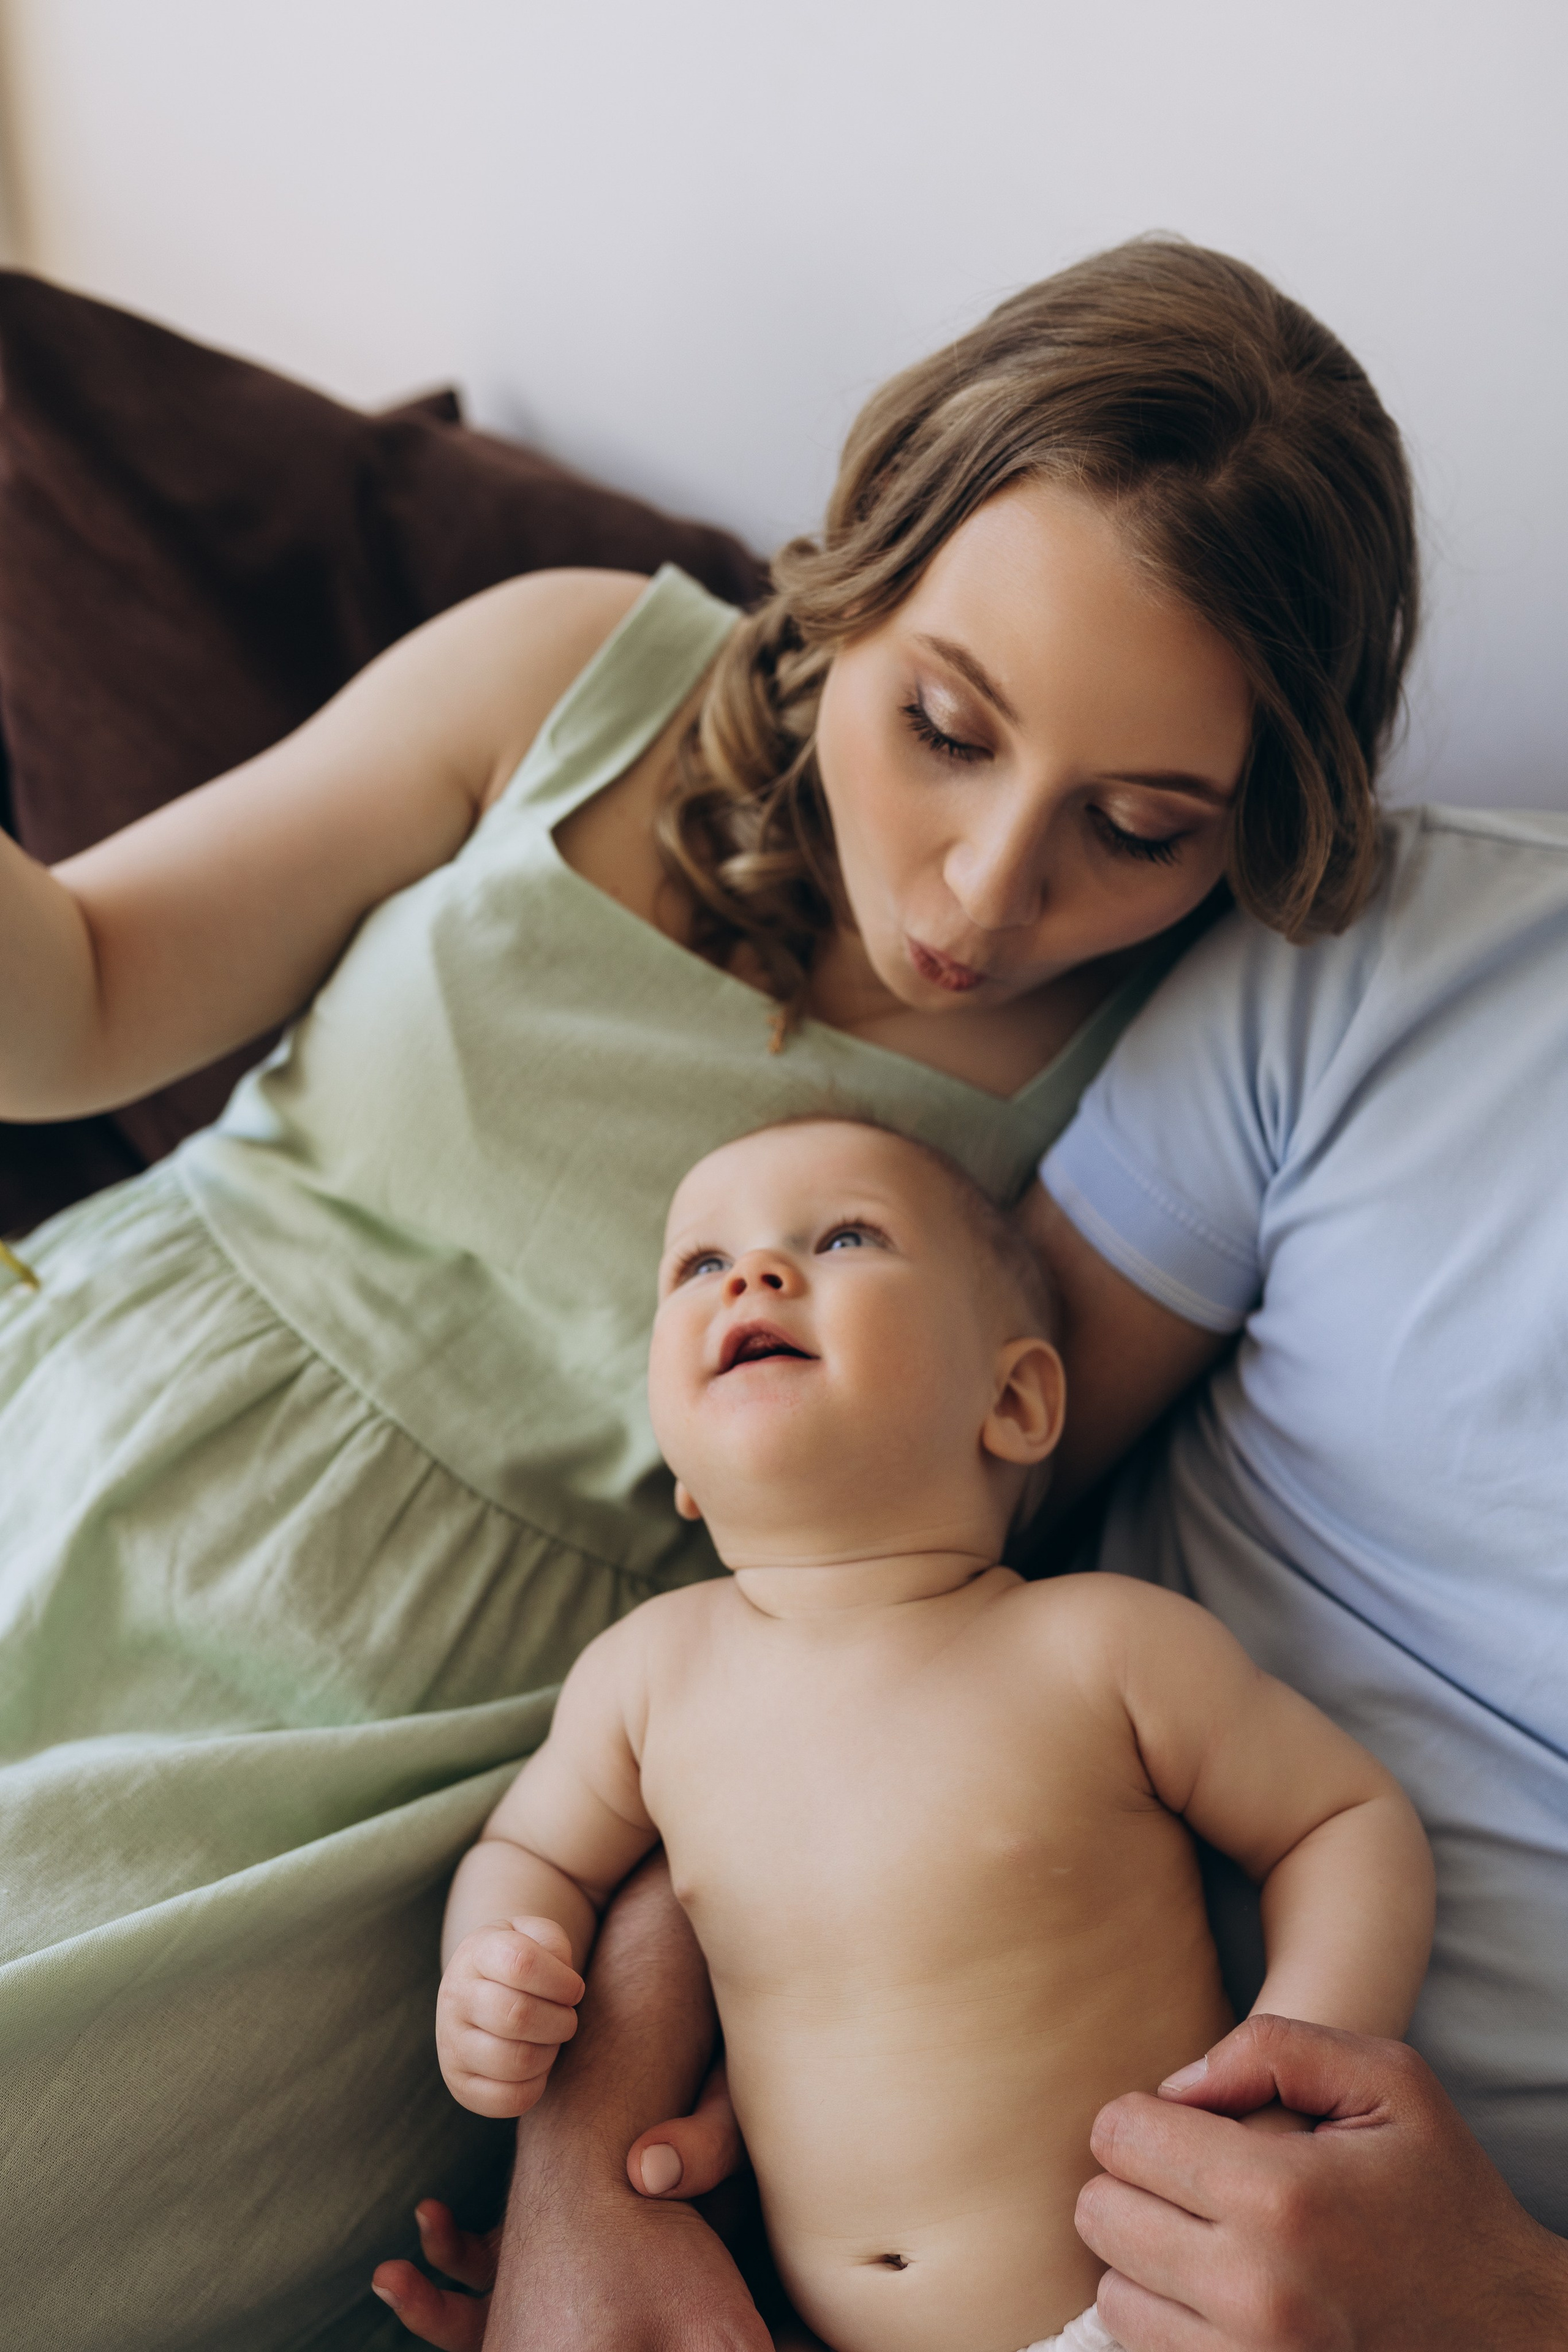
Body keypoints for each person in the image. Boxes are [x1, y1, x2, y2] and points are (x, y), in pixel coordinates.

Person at [0, 237, 1441, 2350]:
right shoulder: (574, 674)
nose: (984, 891)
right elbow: (90, 996)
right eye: (944, 726)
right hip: (95, 1415)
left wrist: (602, 2104)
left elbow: (924, 1633)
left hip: (421, 1762)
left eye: (1135, 827)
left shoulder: (1162, 1071)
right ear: (856, 577)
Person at [425, 1114, 1434, 2352]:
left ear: (1010, 1400)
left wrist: (1287, 2090)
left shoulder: (1097, 1647)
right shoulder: (643, 1679)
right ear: (680, 1467)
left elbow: (1342, 1822)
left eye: (843, 1237)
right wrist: (489, 1971)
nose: (752, 1275)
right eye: (697, 1265)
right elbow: (529, 1858)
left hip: (1153, 2307)